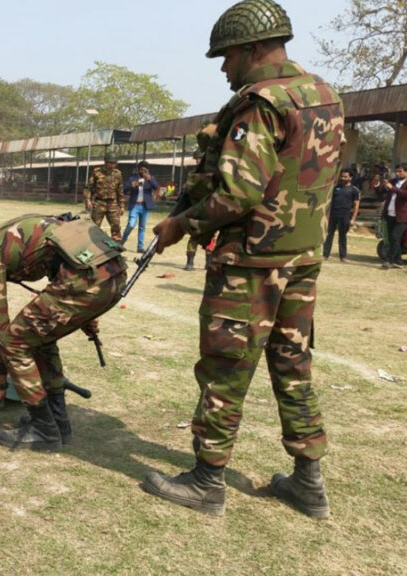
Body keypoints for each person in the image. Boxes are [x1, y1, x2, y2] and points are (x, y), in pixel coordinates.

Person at [143, 0, 344, 518]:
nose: (223, 67)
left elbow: (236, 193)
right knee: (293, 366)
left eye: (227, 55)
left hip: (250, 264)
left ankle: (207, 482)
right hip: (301, 259)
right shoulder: (326, 96)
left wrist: (179, 224)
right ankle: (308, 481)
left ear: (254, 49)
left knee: (225, 370)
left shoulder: (260, 103)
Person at [0, 199, 127, 451]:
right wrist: (86, 315)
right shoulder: (18, 229)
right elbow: (65, 259)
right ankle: (58, 422)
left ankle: (44, 429)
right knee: (38, 336)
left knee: (13, 342)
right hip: (113, 275)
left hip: (87, 282)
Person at [84, 151, 125, 242]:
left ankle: (115, 248)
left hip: (113, 204)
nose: (112, 165)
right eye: (110, 163)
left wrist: (122, 206)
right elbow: (88, 188)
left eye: (114, 163)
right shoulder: (96, 172)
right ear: (105, 162)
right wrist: (88, 200)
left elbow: (120, 191)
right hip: (99, 203)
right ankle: (92, 246)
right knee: (94, 227)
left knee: (116, 227)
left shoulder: (118, 174)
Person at [120, 161, 160, 252]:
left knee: (142, 227)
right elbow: (123, 190)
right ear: (138, 169)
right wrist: (131, 185)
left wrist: (149, 179)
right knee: (131, 224)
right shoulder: (132, 178)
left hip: (145, 206)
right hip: (135, 205)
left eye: (145, 169)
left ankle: (140, 247)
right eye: (141, 169)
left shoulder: (150, 178)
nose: (143, 171)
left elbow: (156, 187)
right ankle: (122, 242)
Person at [323, 168, 360, 262]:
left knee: (342, 236)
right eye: (342, 176)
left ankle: (343, 257)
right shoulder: (335, 188)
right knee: (329, 235)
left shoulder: (354, 190)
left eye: (345, 176)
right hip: (333, 215)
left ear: (350, 178)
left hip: (345, 215)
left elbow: (356, 205)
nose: (343, 178)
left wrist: (353, 219)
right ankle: (325, 255)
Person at [378, 164, 407, 269]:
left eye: (400, 171)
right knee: (392, 239)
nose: (398, 173)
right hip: (390, 214)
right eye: (397, 171)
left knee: (395, 237)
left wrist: (393, 188)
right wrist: (380, 185)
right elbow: (381, 193)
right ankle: (398, 261)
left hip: (403, 216)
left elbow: (404, 195)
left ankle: (389, 261)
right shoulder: (393, 181)